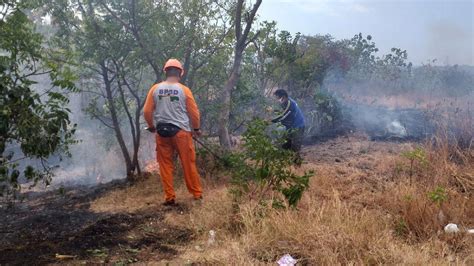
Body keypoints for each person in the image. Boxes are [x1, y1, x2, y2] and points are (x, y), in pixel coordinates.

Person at [143, 58, 203, 206]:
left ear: (166, 72)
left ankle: (170, 197)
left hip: (162, 132)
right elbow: (194, 113)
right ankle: (196, 195)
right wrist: (196, 129)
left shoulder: (155, 89)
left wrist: (151, 126)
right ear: (180, 73)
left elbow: (147, 111)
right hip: (181, 133)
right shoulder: (184, 90)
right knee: (188, 164)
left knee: (165, 165)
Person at [271, 89, 306, 163]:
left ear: (283, 97)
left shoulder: (290, 104)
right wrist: (272, 111)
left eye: (278, 98)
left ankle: (298, 167)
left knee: (295, 148)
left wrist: (271, 121)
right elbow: (280, 112)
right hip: (290, 127)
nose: (277, 100)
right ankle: (284, 165)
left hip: (298, 127)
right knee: (285, 145)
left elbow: (283, 116)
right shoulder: (285, 102)